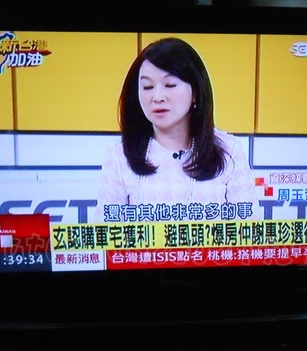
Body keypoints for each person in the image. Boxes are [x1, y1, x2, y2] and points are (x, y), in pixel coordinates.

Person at [95, 37, 254, 223]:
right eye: (147, 87)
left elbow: (249, 231)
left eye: (170, 85)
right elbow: (105, 232)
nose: (157, 97)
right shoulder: (119, 155)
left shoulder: (228, 150)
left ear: (195, 92)